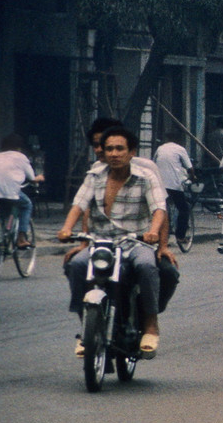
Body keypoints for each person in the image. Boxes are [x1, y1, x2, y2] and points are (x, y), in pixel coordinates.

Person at [57, 127, 168, 358]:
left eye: (120, 148)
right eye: (109, 149)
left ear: (131, 152)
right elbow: (79, 205)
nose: (114, 153)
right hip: (101, 243)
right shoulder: (94, 176)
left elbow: (159, 208)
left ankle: (150, 323)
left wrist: (153, 232)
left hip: (135, 243)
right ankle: (86, 328)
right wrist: (68, 228)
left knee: (147, 266)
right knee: (77, 265)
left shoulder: (146, 177)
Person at [0, 133, 44, 248]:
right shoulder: (21, 157)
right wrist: (39, 178)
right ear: (19, 147)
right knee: (26, 205)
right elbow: (31, 178)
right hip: (9, 191)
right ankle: (21, 238)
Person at [153, 129, 196, 246]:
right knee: (184, 209)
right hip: (174, 184)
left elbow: (154, 162)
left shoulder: (160, 148)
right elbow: (189, 168)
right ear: (179, 140)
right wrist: (193, 177)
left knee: (159, 209)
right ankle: (180, 236)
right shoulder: (180, 149)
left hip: (159, 184)